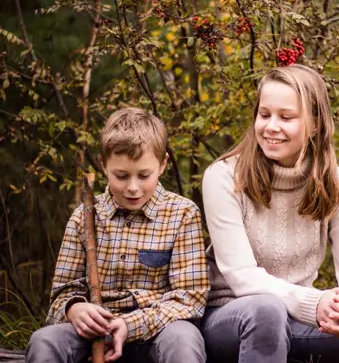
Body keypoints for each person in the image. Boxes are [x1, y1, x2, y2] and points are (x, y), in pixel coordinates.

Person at [200, 64, 339, 362]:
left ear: (314, 124)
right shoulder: (224, 178)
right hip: (231, 319)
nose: (271, 126)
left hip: (299, 321)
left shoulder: (335, 183)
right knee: (266, 310)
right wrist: (315, 304)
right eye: (264, 115)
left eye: (286, 117)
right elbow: (242, 277)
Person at [26, 107, 210, 363]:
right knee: (44, 341)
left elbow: (190, 300)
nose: (133, 187)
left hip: (158, 331)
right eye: (121, 176)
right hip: (94, 335)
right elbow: (61, 296)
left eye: (144, 176)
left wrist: (129, 324)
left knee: (184, 339)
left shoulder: (182, 214)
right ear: (103, 165)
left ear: (163, 164)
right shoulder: (84, 217)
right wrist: (75, 309)